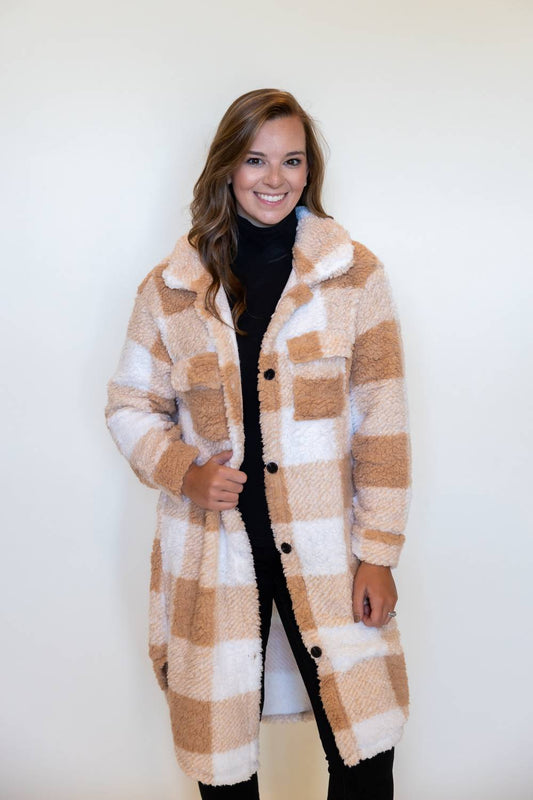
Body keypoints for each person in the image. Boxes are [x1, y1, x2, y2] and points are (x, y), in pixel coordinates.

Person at [105, 88, 412, 799]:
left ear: (309, 171)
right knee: (223, 765)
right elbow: (129, 404)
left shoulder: (354, 277)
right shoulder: (171, 289)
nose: (274, 178)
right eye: (255, 160)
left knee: (364, 756)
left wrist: (379, 554)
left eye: (292, 161)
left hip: (328, 554)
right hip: (214, 556)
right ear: (226, 167)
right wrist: (183, 471)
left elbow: (384, 425)